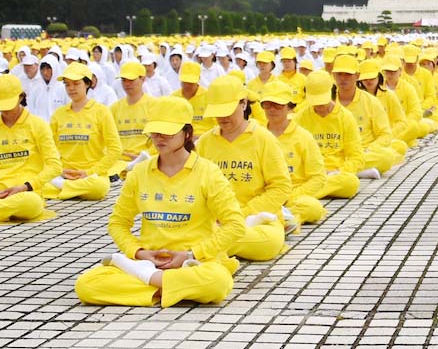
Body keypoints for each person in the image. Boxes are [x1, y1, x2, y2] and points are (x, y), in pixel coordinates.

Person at [74, 97, 245, 307]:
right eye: (155, 132)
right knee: (86, 285)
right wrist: (139, 253)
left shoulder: (208, 172)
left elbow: (235, 225)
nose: (159, 138)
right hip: (149, 262)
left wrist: (191, 254)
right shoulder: (139, 172)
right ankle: (171, 286)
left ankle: (150, 282)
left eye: (167, 132)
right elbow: (118, 222)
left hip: (193, 262)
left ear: (187, 133)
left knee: (218, 282)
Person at [194, 75, 291, 261]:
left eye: (228, 110)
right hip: (217, 221)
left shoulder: (264, 139)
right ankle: (212, 252)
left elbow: (281, 187)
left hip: (257, 220)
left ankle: (204, 251)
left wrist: (243, 213)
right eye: (218, 111)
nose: (222, 117)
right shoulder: (205, 142)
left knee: (269, 242)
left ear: (244, 104)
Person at [0, 74, 61, 230]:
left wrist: (26, 186)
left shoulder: (38, 125)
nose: (5, 110)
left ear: (21, 97)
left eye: (8, 105)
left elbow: (55, 166)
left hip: (26, 193)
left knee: (32, 204)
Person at [45, 63, 123, 200]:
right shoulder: (59, 114)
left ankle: (62, 188)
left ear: (87, 84)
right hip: (64, 174)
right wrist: (60, 170)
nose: (71, 88)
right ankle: (68, 187)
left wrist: (89, 172)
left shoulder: (101, 111)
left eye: (76, 84)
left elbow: (115, 149)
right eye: (67, 84)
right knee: (38, 184)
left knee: (98, 187)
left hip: (91, 175)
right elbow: (47, 147)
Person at [260, 81, 327, 229]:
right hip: (264, 195)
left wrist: (289, 196)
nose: (272, 109)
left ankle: (274, 219)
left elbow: (318, 177)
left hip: (293, 195)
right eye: (267, 105)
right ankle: (280, 219)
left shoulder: (303, 137)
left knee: (313, 208)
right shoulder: (256, 135)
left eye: (278, 105)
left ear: (290, 107)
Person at [294, 71, 363, 199]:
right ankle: (307, 193)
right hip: (309, 174)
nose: (319, 105)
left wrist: (339, 171)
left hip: (335, 173)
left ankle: (299, 195)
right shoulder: (300, 117)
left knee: (351, 183)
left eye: (322, 100)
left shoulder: (345, 117)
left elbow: (356, 156)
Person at [332, 55, 400, 178]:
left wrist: (370, 148)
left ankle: (340, 171)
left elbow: (385, 134)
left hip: (363, 152)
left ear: (357, 76)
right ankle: (355, 171)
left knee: (387, 157)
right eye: (339, 74)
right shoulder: (327, 101)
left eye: (348, 74)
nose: (343, 78)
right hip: (334, 154)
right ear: (333, 75)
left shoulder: (371, 102)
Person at [110, 61, 154, 173]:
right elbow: (108, 139)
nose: (127, 84)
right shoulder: (114, 108)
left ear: (142, 79)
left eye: (131, 80)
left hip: (145, 159)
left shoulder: (154, 106)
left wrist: (146, 155)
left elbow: (160, 139)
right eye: (124, 80)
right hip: (119, 162)